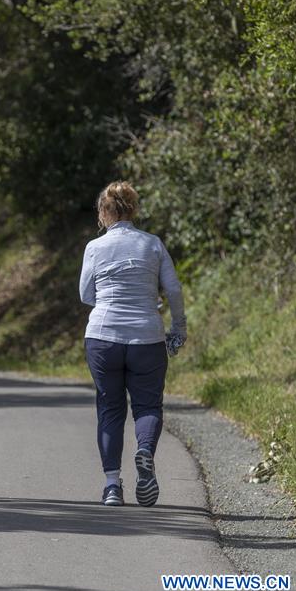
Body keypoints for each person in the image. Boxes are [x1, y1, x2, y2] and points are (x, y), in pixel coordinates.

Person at [79, 181, 187, 507]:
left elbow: (86, 295)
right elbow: (174, 290)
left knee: (110, 409)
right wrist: (178, 328)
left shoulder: (95, 247)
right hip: (147, 337)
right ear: (134, 209)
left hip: (103, 336)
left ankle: (112, 486)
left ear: (103, 212)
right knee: (148, 406)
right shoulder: (152, 244)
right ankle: (144, 452)